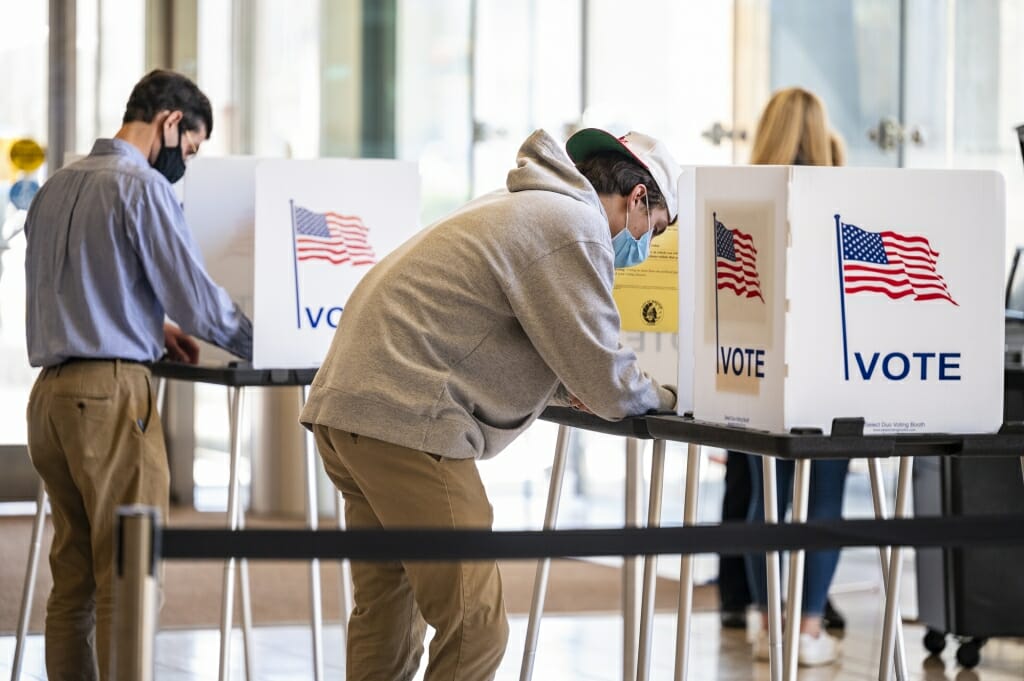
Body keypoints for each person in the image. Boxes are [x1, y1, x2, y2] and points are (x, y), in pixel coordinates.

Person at [300, 127, 681, 680]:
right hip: (410, 417)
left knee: (386, 622)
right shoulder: (574, 227)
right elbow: (607, 380)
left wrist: (569, 384)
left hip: (350, 407)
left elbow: (515, 331)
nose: (646, 246)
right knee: (476, 628)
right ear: (638, 198)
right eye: (656, 230)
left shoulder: (518, 204)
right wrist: (669, 398)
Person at [24, 69, 253, 680]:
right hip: (110, 399)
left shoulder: (55, 187)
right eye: (192, 146)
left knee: (73, 578)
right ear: (170, 122)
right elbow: (198, 300)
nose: (187, 162)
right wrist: (266, 344)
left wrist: (153, 330)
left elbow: (80, 290)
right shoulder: (141, 187)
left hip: (49, 400)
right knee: (129, 574)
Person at [735, 86, 850, 667]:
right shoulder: (843, 190)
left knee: (767, 497)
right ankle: (807, 630)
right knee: (824, 498)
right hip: (831, 363)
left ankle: (768, 625)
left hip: (756, 362)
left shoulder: (742, 193)